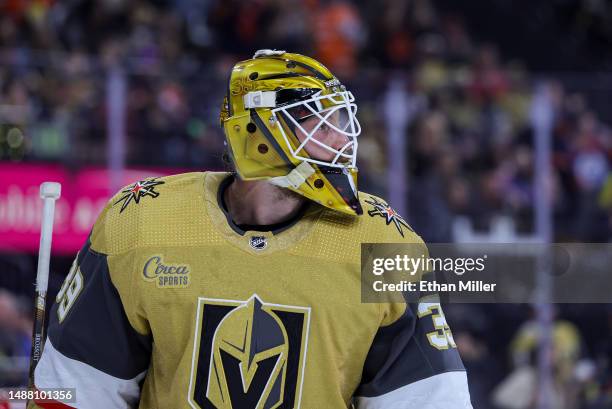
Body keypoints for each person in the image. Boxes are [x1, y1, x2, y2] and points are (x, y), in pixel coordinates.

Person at [30, 50, 472, 408]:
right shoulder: (142, 221)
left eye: (338, 123)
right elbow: (75, 392)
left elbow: (431, 400)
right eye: (317, 123)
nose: (340, 140)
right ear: (257, 134)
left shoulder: (382, 241)